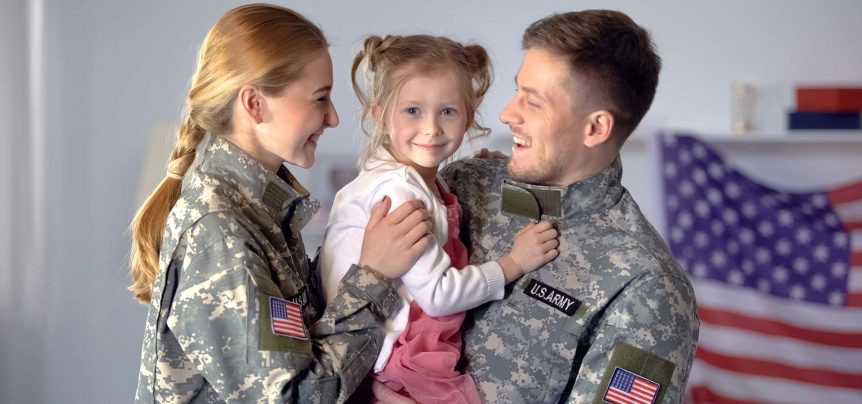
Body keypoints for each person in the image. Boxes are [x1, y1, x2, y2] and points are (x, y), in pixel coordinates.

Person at [128, 4, 433, 403]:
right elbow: (294, 396)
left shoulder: (263, 211)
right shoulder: (219, 229)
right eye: (320, 98)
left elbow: (306, 352)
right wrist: (372, 276)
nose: (334, 117)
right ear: (255, 103)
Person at [440, 10, 699, 403]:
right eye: (516, 91)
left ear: (595, 128)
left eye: (534, 102)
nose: (508, 114)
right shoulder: (462, 185)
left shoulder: (646, 287)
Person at [318, 35, 559, 403]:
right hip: (402, 360)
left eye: (447, 111)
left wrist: (482, 170)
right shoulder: (400, 192)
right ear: (379, 115)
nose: (431, 127)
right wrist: (513, 263)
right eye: (412, 111)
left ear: (468, 116)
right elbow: (438, 295)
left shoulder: (410, 178)